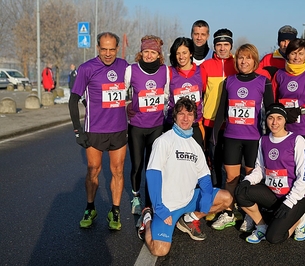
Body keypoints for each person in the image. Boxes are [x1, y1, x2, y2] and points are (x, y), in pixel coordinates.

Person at [137, 97, 233, 256]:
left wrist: (207, 196)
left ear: (194, 118)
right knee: (160, 250)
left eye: (189, 114)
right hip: (167, 206)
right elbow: (153, 174)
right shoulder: (164, 141)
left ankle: (188, 219)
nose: (185, 118)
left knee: (226, 198)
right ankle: (147, 220)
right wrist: (159, 208)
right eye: (181, 114)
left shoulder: (195, 146)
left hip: (188, 199)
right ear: (174, 116)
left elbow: (204, 177)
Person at [68, 32, 129, 230]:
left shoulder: (125, 67)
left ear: (117, 49)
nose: (108, 53)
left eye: (112, 49)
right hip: (95, 130)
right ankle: (90, 207)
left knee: (118, 170)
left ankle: (115, 210)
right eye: (104, 49)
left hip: (119, 129)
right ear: (98, 48)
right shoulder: (87, 68)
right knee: (93, 169)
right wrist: (78, 131)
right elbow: (73, 100)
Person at [210, 43, 274, 231]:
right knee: (231, 178)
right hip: (231, 137)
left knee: (251, 178)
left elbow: (271, 111)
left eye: (248, 57)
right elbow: (221, 112)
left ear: (254, 60)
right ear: (236, 60)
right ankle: (229, 212)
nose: (244, 61)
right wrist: (213, 138)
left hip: (253, 138)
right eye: (240, 57)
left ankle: (249, 214)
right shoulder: (229, 81)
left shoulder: (263, 81)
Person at [235, 103, 305, 244]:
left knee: (274, 238)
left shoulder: (297, 141)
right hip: (273, 195)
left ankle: (300, 220)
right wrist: (247, 180)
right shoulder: (263, 140)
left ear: (285, 120)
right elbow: (260, 169)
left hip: (294, 199)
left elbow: (303, 177)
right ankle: (262, 226)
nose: (274, 122)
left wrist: (289, 202)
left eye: (279, 118)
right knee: (241, 192)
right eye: (271, 118)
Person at [125, 35, 168, 215]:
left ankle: (151, 200)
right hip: (137, 126)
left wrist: (160, 102)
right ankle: (136, 197)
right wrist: (127, 105)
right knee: (137, 165)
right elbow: (121, 92)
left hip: (156, 125)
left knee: (154, 166)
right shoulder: (131, 70)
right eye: (146, 52)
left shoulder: (165, 70)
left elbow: (167, 95)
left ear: (159, 55)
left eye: (153, 52)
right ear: (140, 53)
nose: (149, 55)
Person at [200, 28, 237, 190]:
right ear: (214, 46)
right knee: (213, 162)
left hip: (232, 122)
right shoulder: (206, 66)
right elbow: (199, 92)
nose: (222, 48)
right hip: (211, 122)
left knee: (230, 163)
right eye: (219, 45)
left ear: (231, 46)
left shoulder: (238, 64)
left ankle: (231, 201)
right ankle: (215, 198)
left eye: (226, 44)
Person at [165, 37, 204, 148]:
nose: (181, 57)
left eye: (184, 53)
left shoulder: (201, 71)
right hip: (174, 124)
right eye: (178, 53)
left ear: (191, 53)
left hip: (195, 124)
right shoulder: (169, 72)